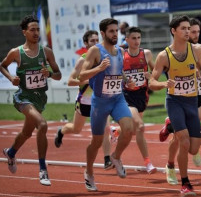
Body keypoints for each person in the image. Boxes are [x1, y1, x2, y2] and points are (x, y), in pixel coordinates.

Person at [149, 15, 201, 196]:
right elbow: (152, 81)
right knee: (184, 142)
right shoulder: (164, 56)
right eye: (183, 28)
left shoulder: (196, 50)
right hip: (174, 101)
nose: (186, 31)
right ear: (173, 31)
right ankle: (185, 183)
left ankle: (169, 125)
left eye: (188, 28)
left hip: (192, 102)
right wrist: (162, 84)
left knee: (193, 148)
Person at [1, 15, 61, 186]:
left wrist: (49, 74)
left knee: (27, 133)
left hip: (39, 98)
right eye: (32, 30)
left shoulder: (46, 52)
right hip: (23, 97)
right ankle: (43, 169)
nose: (36, 33)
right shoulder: (16, 52)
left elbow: (58, 75)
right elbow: (2, 65)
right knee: (42, 124)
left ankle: (11, 152)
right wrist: (11, 77)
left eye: (37, 29)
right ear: (24, 32)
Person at [79, 18, 134, 191]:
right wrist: (98, 69)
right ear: (103, 33)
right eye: (111, 31)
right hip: (100, 102)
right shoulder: (95, 51)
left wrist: (127, 81)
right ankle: (89, 172)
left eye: (116, 30)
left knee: (129, 128)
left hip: (117, 98)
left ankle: (116, 156)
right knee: (96, 142)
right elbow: (81, 76)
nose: (115, 34)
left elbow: (119, 71)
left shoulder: (119, 50)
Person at [54, 30, 113, 170]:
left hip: (100, 100)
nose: (95, 43)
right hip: (84, 101)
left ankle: (107, 159)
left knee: (106, 128)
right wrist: (89, 80)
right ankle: (61, 131)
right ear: (86, 44)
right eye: (92, 41)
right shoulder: (83, 60)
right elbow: (70, 81)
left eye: (97, 40)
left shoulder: (103, 58)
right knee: (76, 129)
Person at [122, 26, 157, 174]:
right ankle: (148, 162)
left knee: (135, 130)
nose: (137, 41)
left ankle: (116, 132)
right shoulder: (121, 55)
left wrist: (151, 76)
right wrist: (124, 80)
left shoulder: (146, 54)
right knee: (140, 127)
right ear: (127, 39)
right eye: (133, 38)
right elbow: (116, 74)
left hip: (142, 95)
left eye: (139, 38)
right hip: (126, 96)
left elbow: (156, 71)